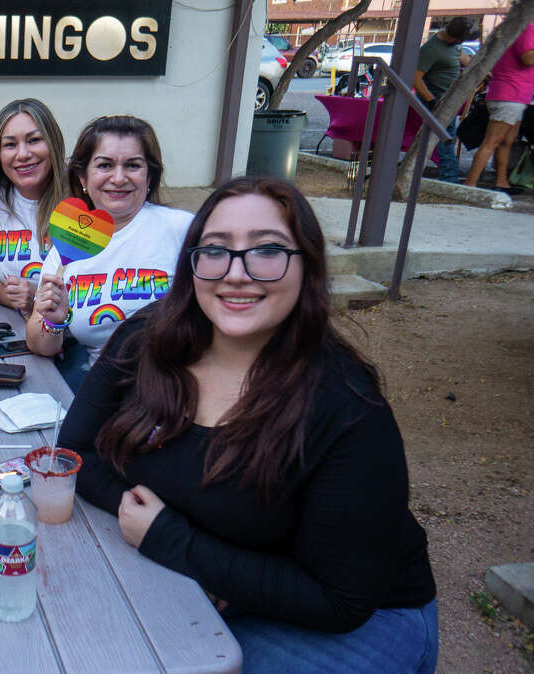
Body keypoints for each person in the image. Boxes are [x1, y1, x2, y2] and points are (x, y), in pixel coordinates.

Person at [64, 176, 438, 673]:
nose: (236, 274)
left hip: (352, 625)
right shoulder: (145, 340)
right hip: (200, 579)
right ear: (191, 263)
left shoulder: (347, 408)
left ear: (308, 267)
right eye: (215, 250)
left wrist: (178, 545)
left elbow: (341, 602)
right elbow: (74, 455)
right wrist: (180, 548)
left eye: (267, 250)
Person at [26, 115, 193, 392]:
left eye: (132, 165)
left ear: (149, 176)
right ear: (83, 177)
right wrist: (54, 321)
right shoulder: (69, 246)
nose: (118, 178)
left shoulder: (182, 230)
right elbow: (39, 343)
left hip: (174, 388)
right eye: (105, 165)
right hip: (101, 392)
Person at [0, 98, 67, 316]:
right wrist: (23, 303)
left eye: (34, 140)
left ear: (53, 142)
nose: (22, 154)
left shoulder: (82, 201)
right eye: (10, 144)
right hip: (17, 324)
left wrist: (38, 297)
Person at [465, 22, 534, 194]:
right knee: (492, 141)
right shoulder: (527, 29)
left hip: (511, 94)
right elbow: (528, 58)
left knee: (506, 141)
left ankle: (502, 182)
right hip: (511, 94)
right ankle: (469, 184)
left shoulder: (512, 29)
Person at [415, 17, 476, 183]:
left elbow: (462, 58)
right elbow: (416, 78)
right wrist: (431, 99)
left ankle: (448, 176)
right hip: (437, 100)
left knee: (446, 139)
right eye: (458, 40)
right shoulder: (431, 49)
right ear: (453, 36)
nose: (459, 43)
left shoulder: (454, 45)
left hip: (448, 100)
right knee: (445, 140)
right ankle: (449, 177)